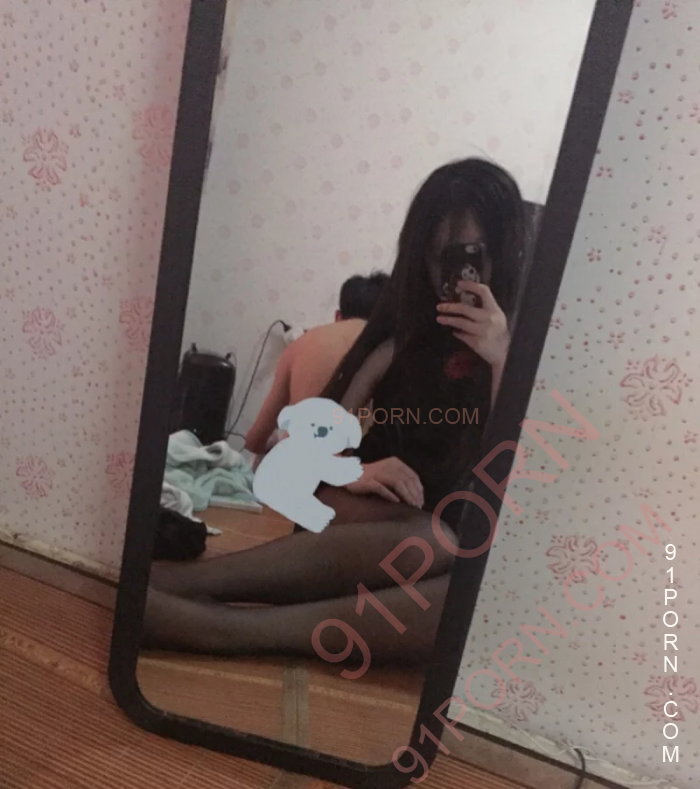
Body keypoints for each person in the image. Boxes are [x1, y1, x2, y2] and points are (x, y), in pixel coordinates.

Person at [144, 158, 526, 665]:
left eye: (472, 256)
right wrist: (356, 471)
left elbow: (518, 474)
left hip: (456, 540)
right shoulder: (399, 337)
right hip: (368, 520)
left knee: (468, 591)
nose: (454, 278)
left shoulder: (527, 350)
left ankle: (225, 629)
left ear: (505, 253)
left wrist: (502, 359)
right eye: (442, 258)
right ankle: (186, 584)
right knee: (432, 539)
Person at [244, 272, 389, 457]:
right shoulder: (393, 350)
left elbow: (255, 440)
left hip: (301, 466)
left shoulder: (301, 345)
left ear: (338, 316)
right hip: (367, 468)